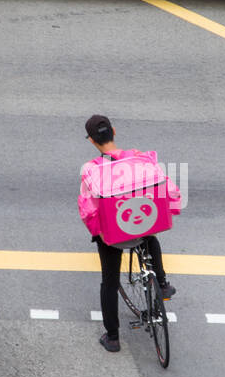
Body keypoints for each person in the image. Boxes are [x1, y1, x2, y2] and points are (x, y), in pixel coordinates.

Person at [78, 114, 182, 353]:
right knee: (151, 237)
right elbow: (166, 187)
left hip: (113, 237)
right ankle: (163, 284)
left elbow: (87, 210)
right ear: (114, 131)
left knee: (109, 283)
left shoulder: (92, 170)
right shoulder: (139, 158)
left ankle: (113, 337)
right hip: (142, 227)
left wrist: (98, 234)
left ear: (92, 141)